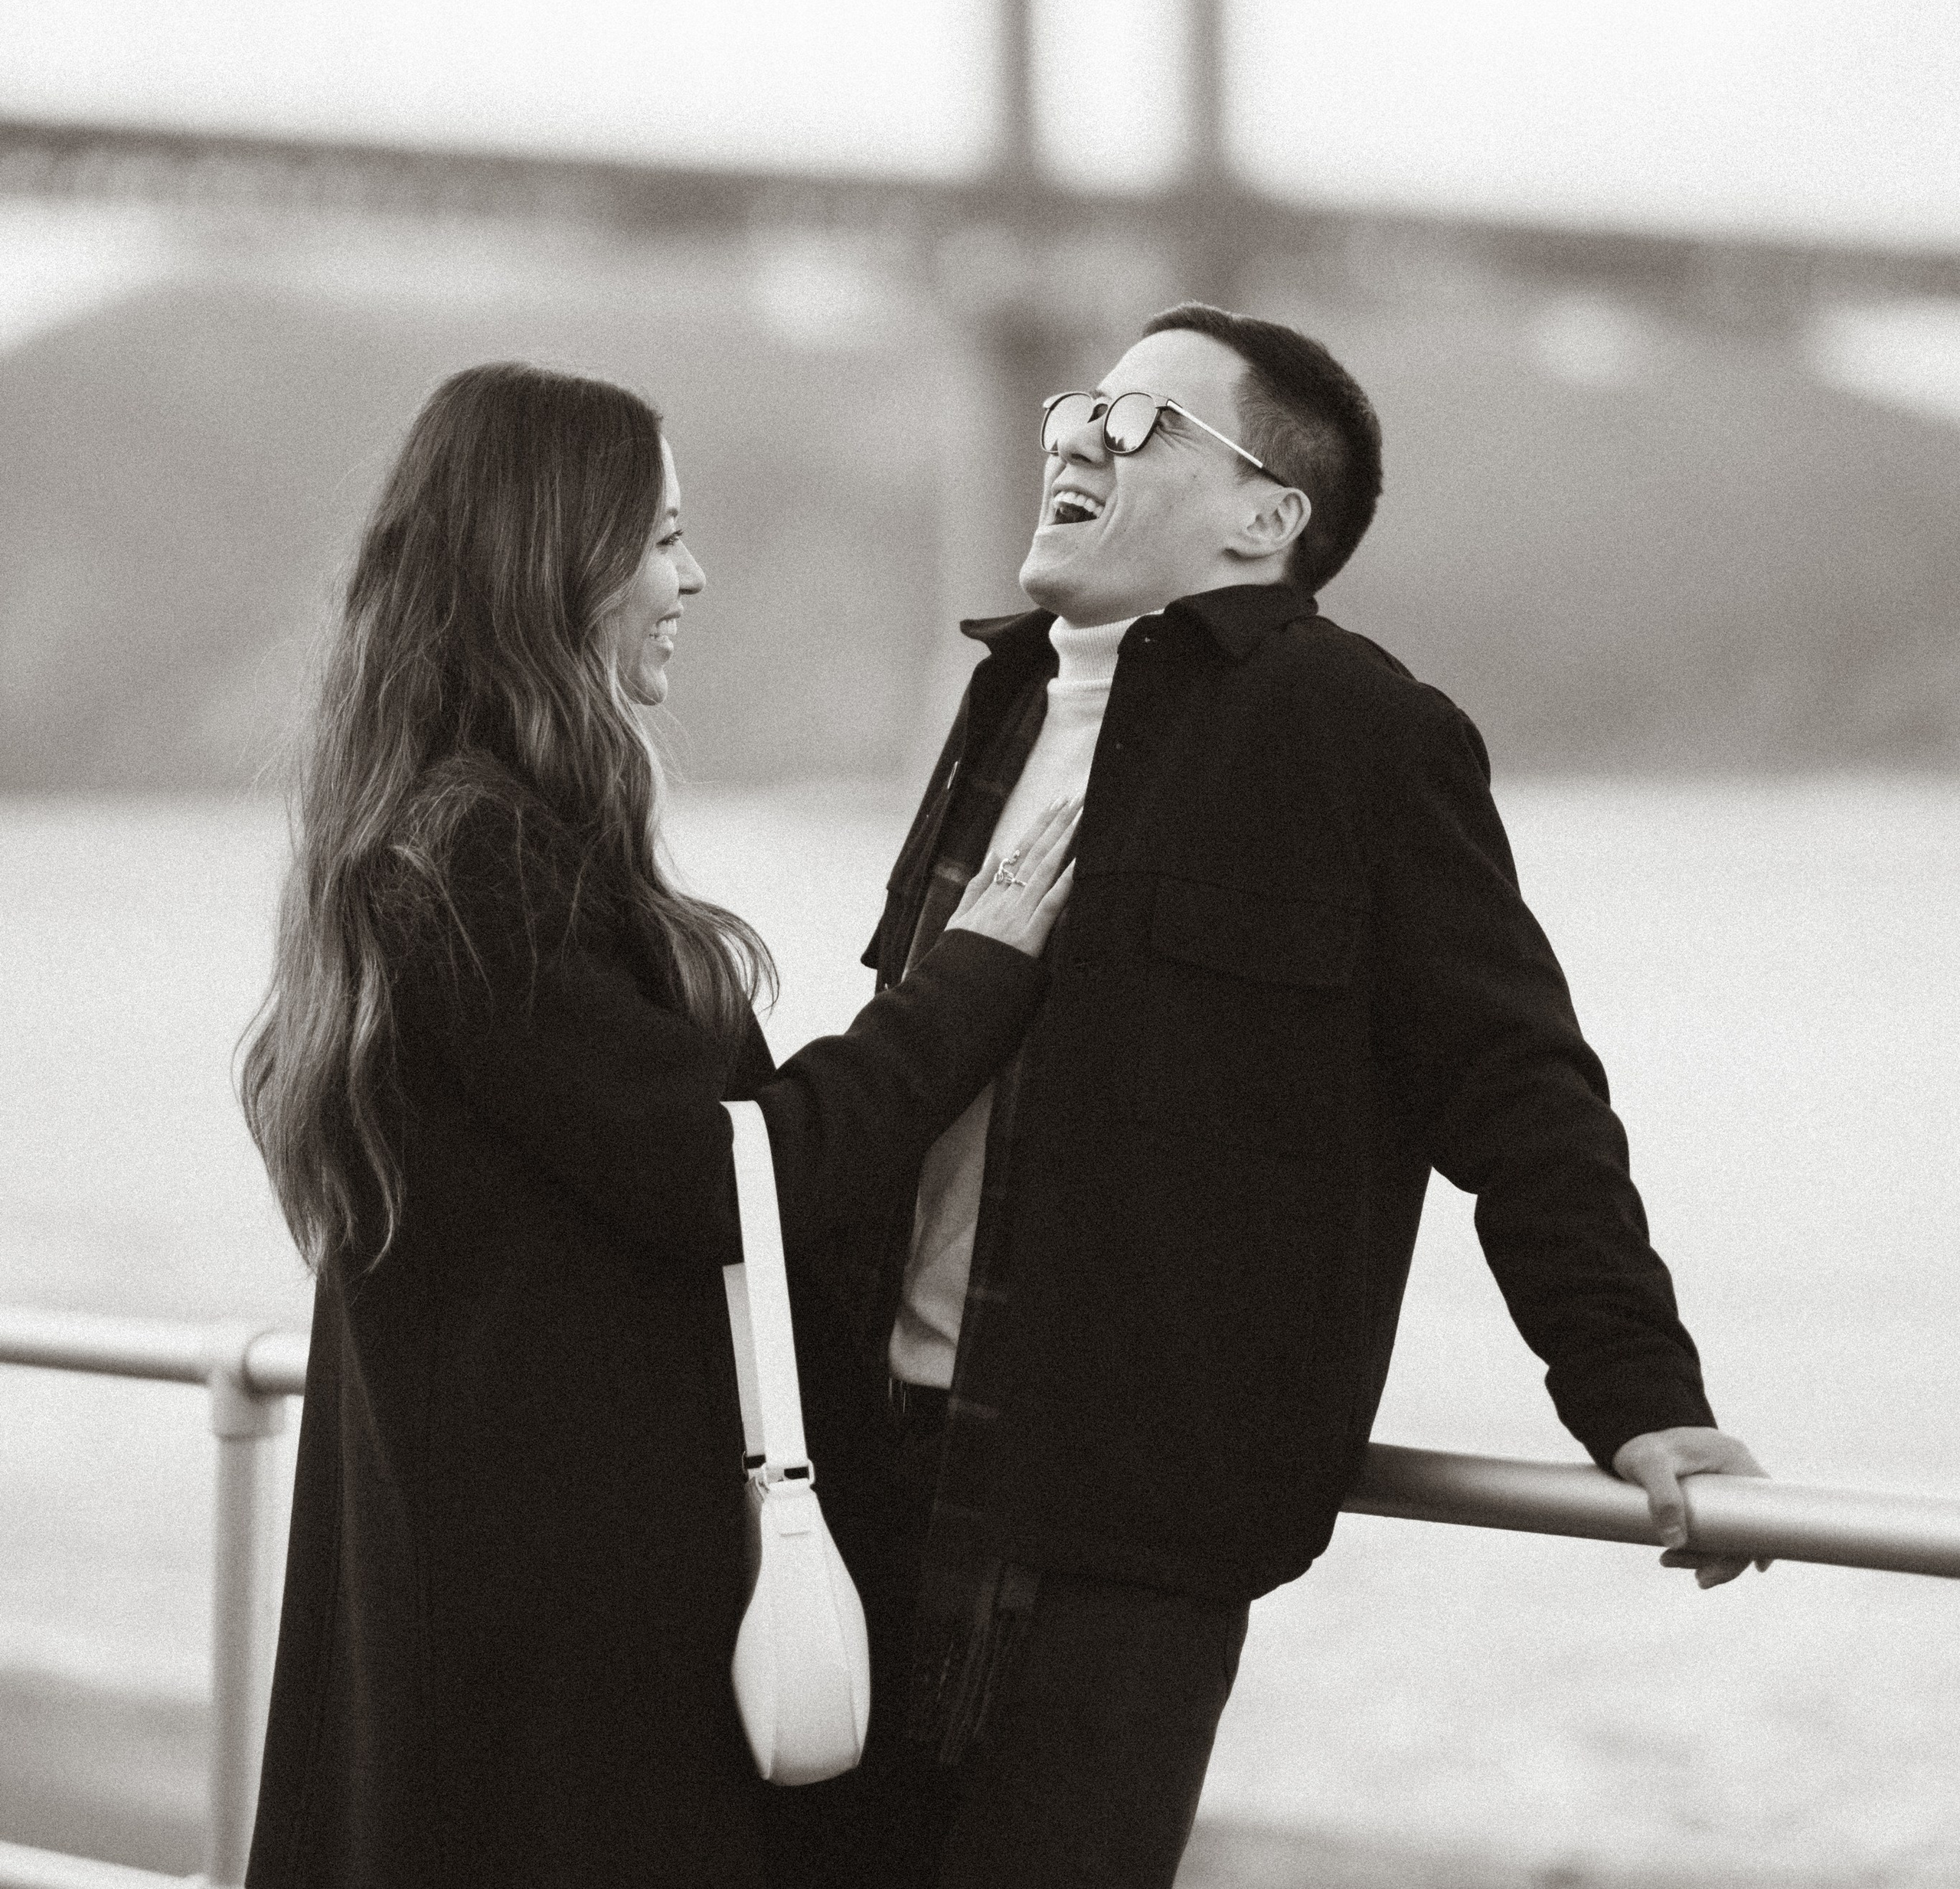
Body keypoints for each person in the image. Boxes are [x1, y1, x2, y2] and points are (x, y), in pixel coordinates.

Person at [799, 302, 1766, 1889]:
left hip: (1117, 1533)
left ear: (1267, 516)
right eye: (1067, 410)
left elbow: (1515, 1088)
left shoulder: (1360, 736)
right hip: (867, 1475)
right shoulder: (1003, 709)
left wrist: (1639, 1396)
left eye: (1135, 424)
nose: (1068, 439)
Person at [237, 361, 1079, 1889]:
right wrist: (979, 973)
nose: (692, 576)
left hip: (490, 1596)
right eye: (660, 537)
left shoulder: (432, 838)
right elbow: (736, 1171)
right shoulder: (480, 857)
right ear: (549, 561)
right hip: (568, 1632)